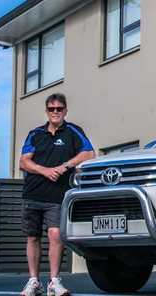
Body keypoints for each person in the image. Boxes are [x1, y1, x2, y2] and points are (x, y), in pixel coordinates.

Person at [18, 93, 94, 296]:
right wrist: (45, 171)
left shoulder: (73, 131)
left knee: (55, 235)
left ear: (65, 110)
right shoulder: (35, 134)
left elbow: (89, 153)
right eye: (52, 109)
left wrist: (64, 166)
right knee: (32, 237)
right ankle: (34, 281)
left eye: (59, 109)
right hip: (33, 193)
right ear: (47, 111)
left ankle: (54, 282)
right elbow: (23, 161)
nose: (55, 112)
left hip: (58, 195)